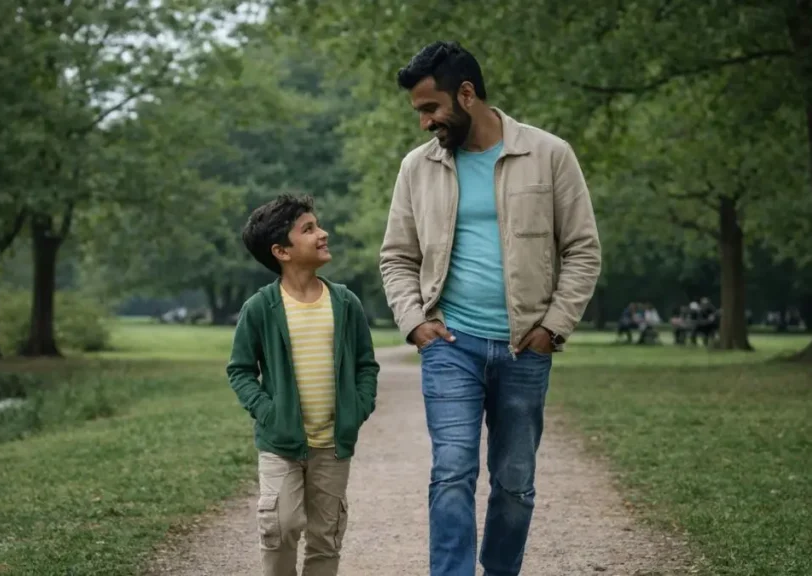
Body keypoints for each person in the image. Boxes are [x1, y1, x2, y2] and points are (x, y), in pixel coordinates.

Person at [379, 41, 602, 576]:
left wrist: (553, 326)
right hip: (449, 346)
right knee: (451, 472)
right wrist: (415, 323)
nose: (425, 122)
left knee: (513, 484)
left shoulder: (549, 154)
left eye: (431, 108)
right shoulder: (417, 168)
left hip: (525, 349)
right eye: (418, 112)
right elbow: (396, 256)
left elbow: (582, 249)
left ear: (467, 94)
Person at [227, 194, 380, 576]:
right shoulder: (260, 308)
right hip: (281, 443)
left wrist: (358, 408)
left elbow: (366, 365)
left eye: (318, 225)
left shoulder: (345, 303)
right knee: (281, 526)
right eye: (308, 229)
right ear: (281, 251)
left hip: (333, 443)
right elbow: (240, 370)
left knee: (325, 536)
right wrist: (269, 412)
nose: (322, 234)